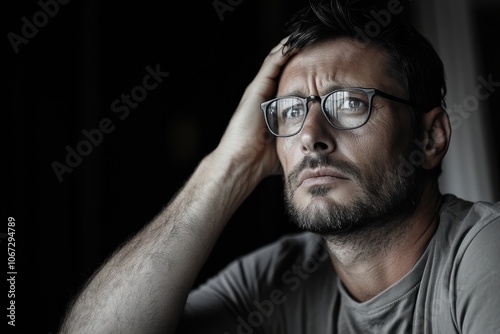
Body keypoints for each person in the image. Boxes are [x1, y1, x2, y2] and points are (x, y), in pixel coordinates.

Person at [59, 0, 500, 333]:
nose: (310, 135)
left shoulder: (485, 254)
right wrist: (229, 167)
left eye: (348, 103)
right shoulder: (277, 280)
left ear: (430, 138)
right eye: (290, 112)